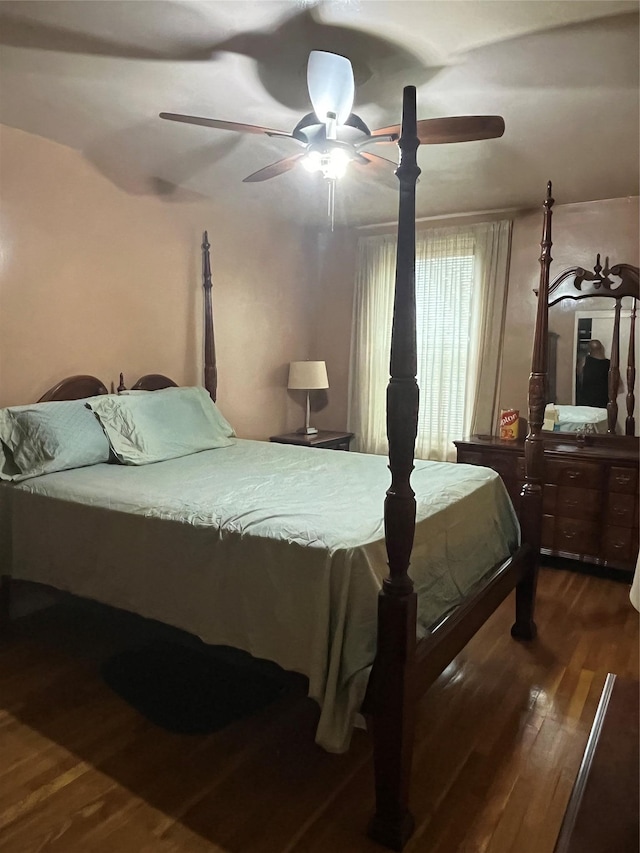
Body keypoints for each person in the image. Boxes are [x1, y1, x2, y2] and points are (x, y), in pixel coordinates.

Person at [576, 339, 611, 408]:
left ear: (589, 350)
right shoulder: (609, 363)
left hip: (586, 400)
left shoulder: (584, 361)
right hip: (603, 401)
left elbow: (578, 376)